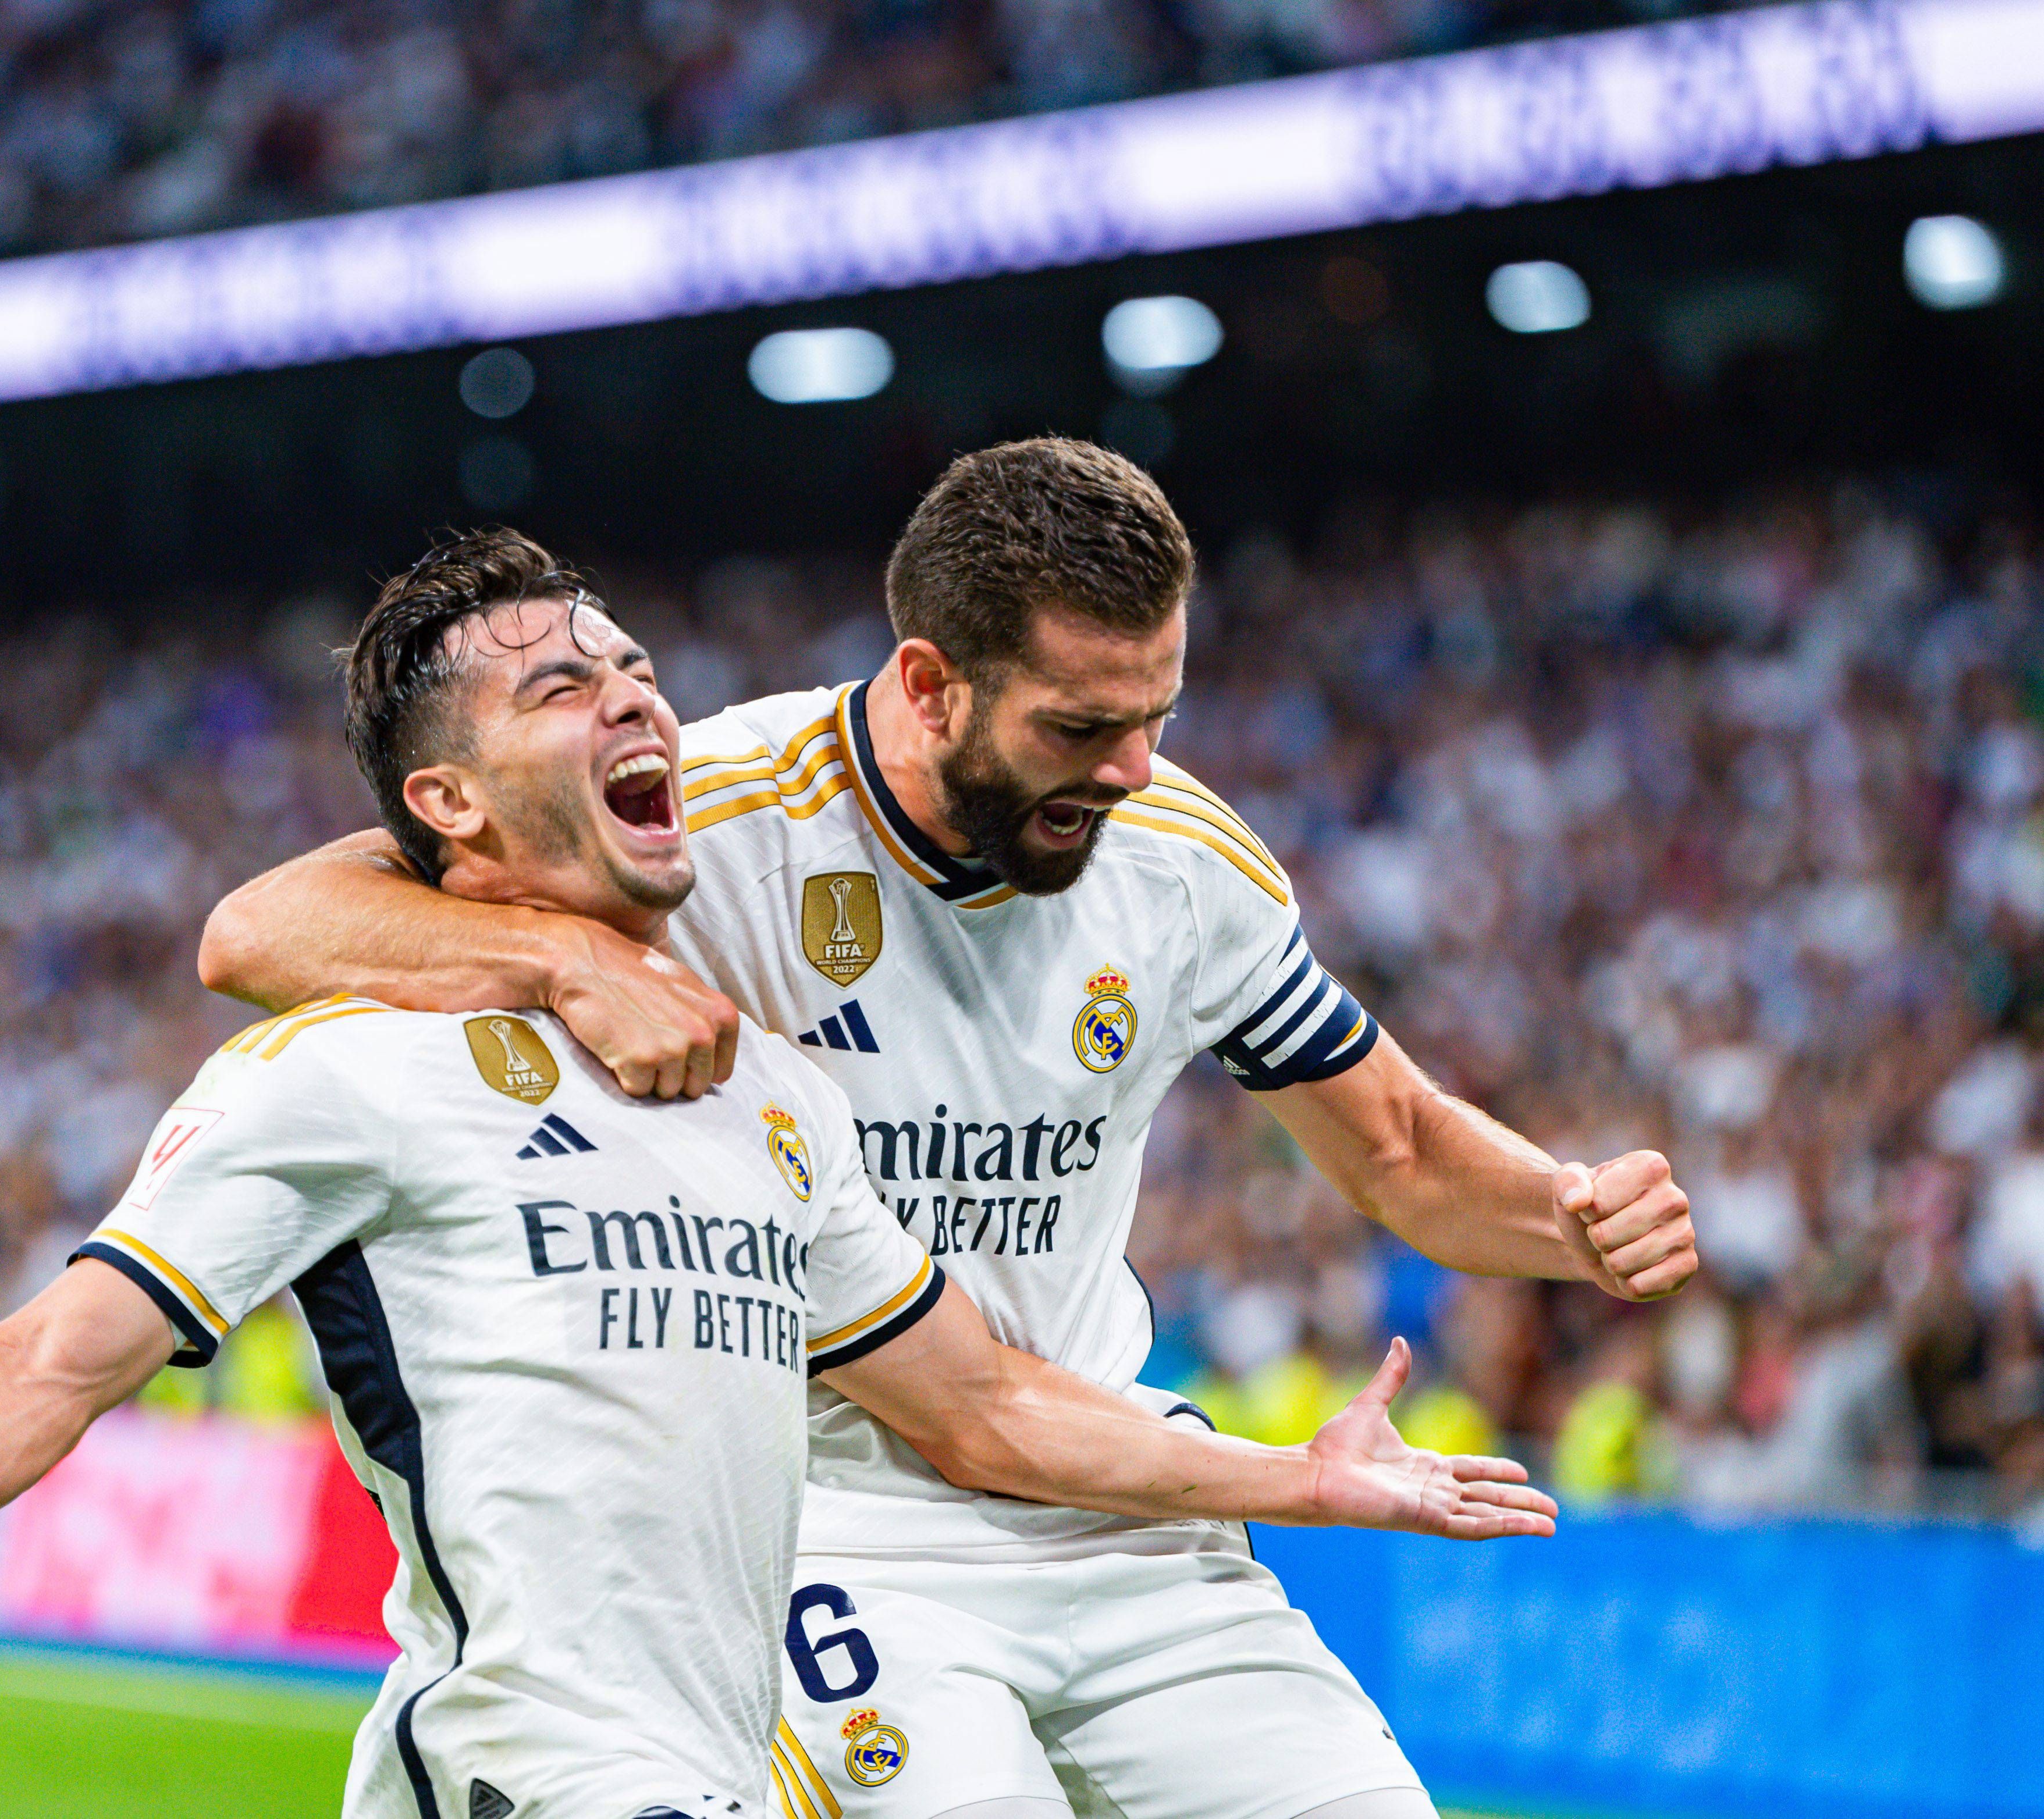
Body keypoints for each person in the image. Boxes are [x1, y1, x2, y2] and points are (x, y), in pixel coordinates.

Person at [0, 531, 1555, 1819]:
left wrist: (1304, 1479)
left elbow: (995, 1409)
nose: (641, 692)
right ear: (447, 802)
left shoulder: (764, 1101)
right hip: (528, 1778)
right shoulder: (343, 1073)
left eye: (633, 662)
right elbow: (48, 1365)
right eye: (567, 683)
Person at [197, 446, 1700, 1819]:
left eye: (1154, 717)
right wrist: (576, 958)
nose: (1127, 769)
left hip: (1122, 1500)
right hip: (839, 1528)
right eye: (1079, 725)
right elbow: (265, 925)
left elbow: (1402, 1155)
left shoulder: (1178, 862)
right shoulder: (708, 816)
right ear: (927, 684)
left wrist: (1561, 1211)